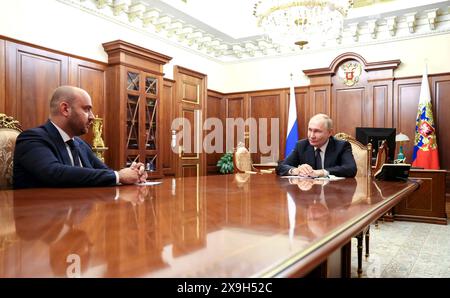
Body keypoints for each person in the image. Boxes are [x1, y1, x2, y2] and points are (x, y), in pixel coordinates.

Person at [13, 85, 147, 188]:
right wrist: (119, 176)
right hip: (39, 219)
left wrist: (132, 173)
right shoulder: (32, 139)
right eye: (86, 109)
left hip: (78, 216)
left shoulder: (80, 144)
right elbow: (54, 173)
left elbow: (105, 172)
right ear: (65, 109)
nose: (92, 117)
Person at [277, 113, 357, 178]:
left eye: (317, 131)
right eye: (310, 130)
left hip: (333, 193)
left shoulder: (341, 146)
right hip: (308, 193)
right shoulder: (301, 145)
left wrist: (321, 172)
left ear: (329, 133)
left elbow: (351, 169)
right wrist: (296, 170)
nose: (311, 136)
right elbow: (281, 166)